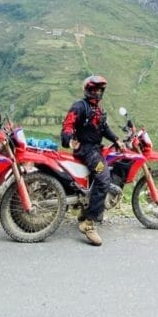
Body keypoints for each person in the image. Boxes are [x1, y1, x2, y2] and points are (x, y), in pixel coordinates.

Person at [60, 74, 123, 246]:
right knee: (103, 178)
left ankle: (85, 210)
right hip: (86, 150)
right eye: (94, 89)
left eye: (99, 90)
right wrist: (68, 139)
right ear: (88, 90)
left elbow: (104, 129)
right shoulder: (80, 107)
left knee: (103, 174)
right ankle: (89, 223)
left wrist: (117, 139)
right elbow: (68, 124)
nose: (97, 93)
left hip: (96, 149)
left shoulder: (100, 110)